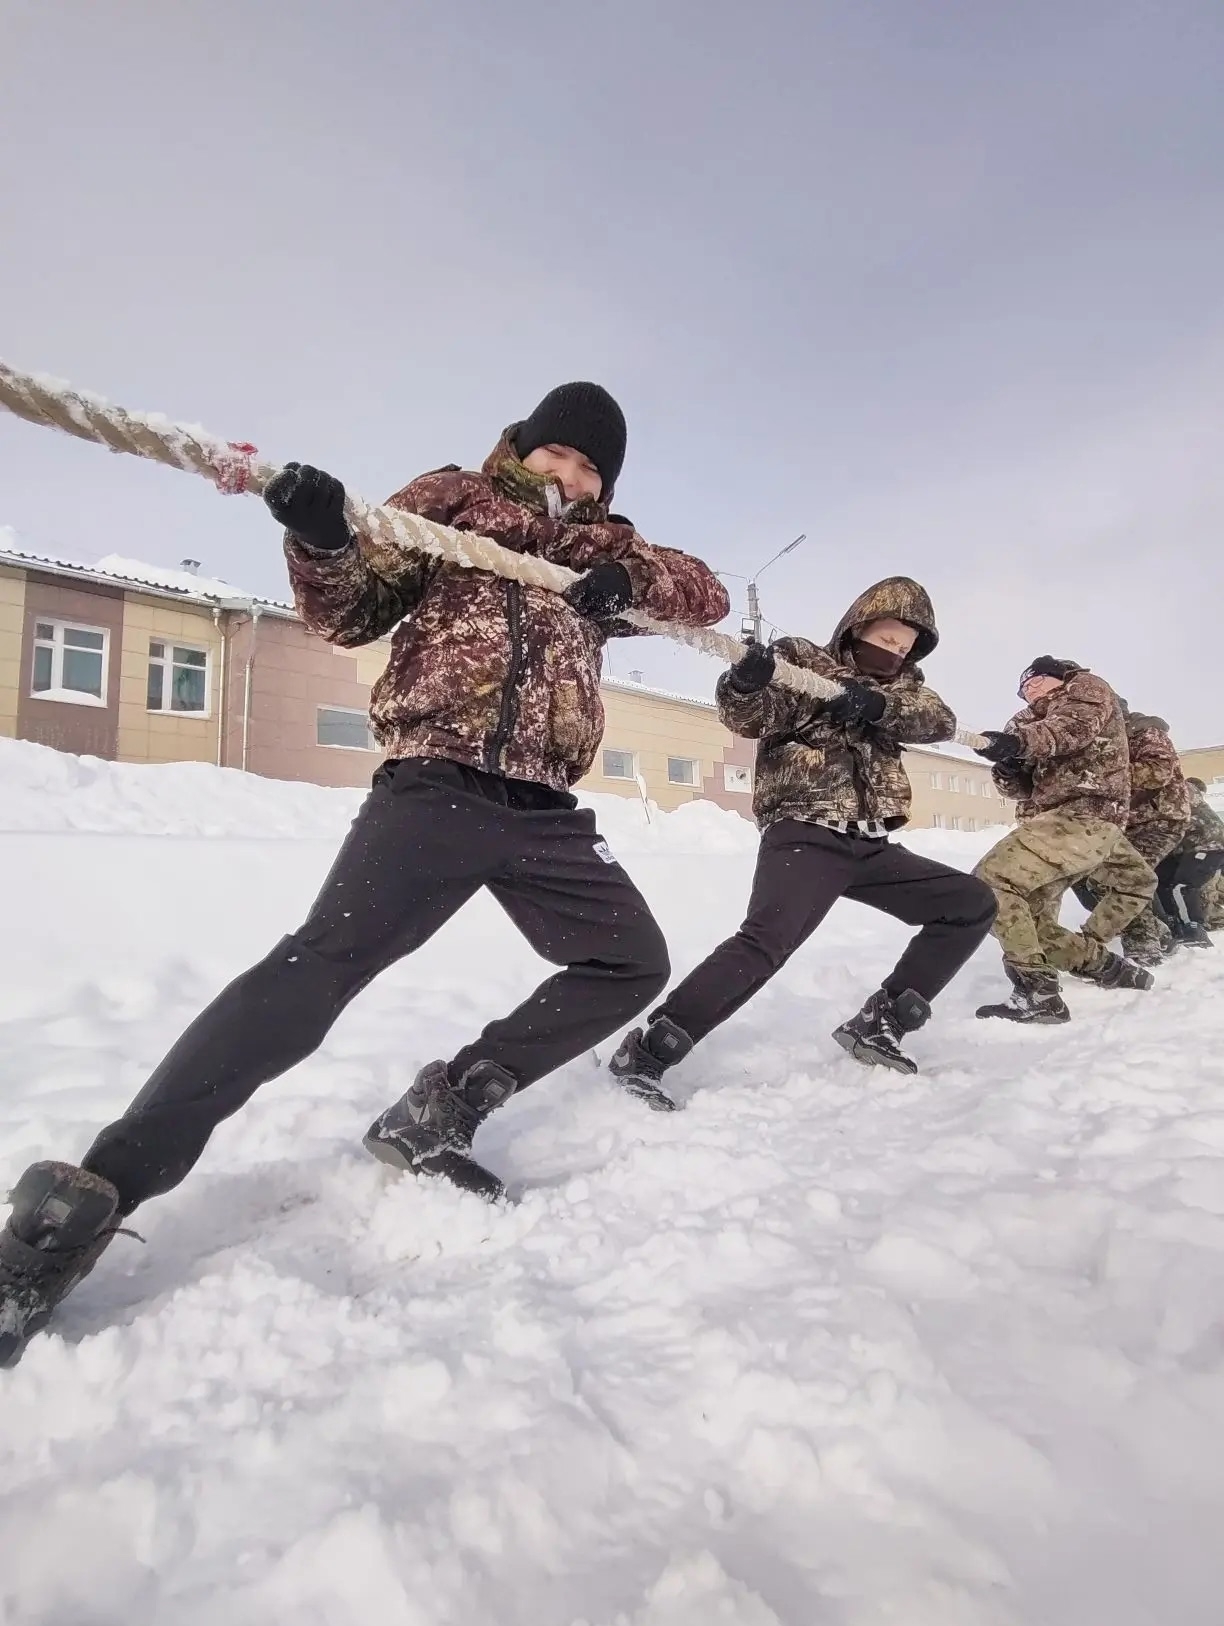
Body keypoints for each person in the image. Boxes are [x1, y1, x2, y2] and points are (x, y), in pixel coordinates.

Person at [0, 382, 731, 1366]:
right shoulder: (455, 500)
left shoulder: (606, 550)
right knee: (316, 972)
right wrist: (321, 540)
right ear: (522, 445)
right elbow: (350, 613)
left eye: (593, 466)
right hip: (437, 783)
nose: (571, 473)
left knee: (629, 963)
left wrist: (617, 574)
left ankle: (444, 1107)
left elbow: (705, 594)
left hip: (545, 810)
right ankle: (80, 1207)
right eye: (558, 451)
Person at [606, 577, 998, 1102]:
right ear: (859, 627)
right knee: (766, 941)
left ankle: (882, 1021)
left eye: (905, 648)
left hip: (872, 846)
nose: (895, 653)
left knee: (969, 904)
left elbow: (937, 719)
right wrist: (745, 684)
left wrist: (874, 705)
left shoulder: (906, 690)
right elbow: (749, 718)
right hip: (806, 833)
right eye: (887, 640)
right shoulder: (804, 662)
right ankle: (652, 1050)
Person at [973, 657, 1158, 1023]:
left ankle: (1038, 992)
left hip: (1083, 815)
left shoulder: (1085, 690)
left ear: (1057, 677)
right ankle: (1108, 968)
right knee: (1029, 920)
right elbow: (1020, 789)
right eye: (1023, 689)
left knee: (988, 885)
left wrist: (1018, 743)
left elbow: (1071, 728)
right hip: (1052, 823)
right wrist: (1009, 768)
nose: (1029, 691)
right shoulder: (1025, 721)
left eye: (1036, 682)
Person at [1071, 705, 1190, 966]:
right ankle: (1160, 933)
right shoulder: (1101, 741)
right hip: (1126, 823)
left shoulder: (1144, 732)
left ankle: (1143, 947)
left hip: (1159, 819)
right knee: (1097, 880)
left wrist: (1106, 775)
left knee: (1126, 877)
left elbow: (1158, 771)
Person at [1156, 777, 1224, 947]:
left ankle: (1193, 929)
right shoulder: (1176, 787)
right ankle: (1174, 924)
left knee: (1182, 886)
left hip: (1204, 844)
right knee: (1162, 879)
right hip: (1197, 845)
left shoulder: (1170, 789)